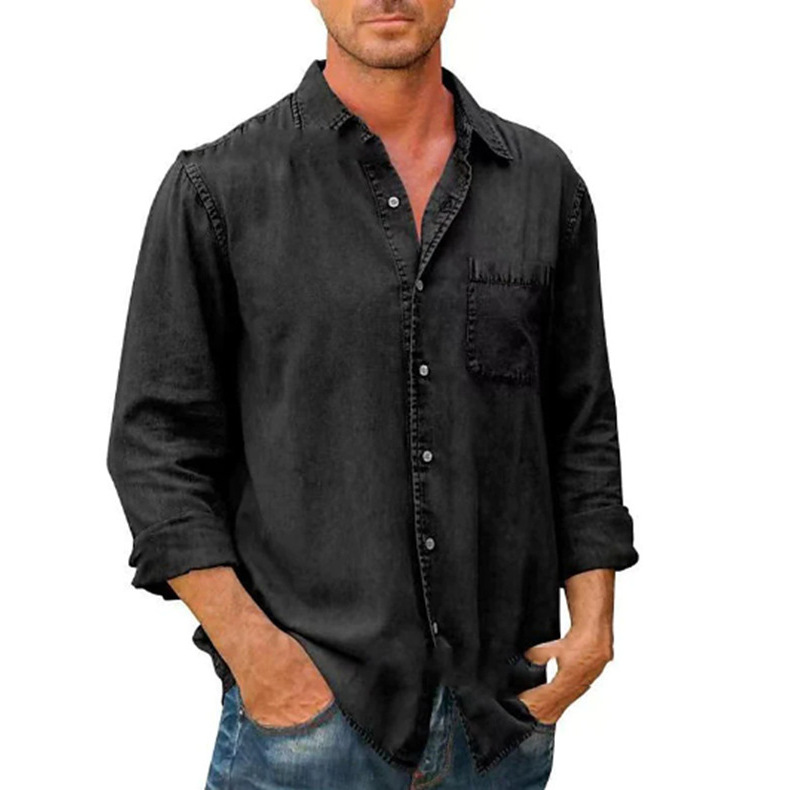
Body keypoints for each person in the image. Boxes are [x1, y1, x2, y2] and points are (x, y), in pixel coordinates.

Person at [106, 1, 639, 787]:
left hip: (500, 727)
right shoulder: (220, 189)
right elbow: (155, 447)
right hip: (308, 733)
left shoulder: (542, 184)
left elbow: (579, 419)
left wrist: (593, 625)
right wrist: (260, 660)